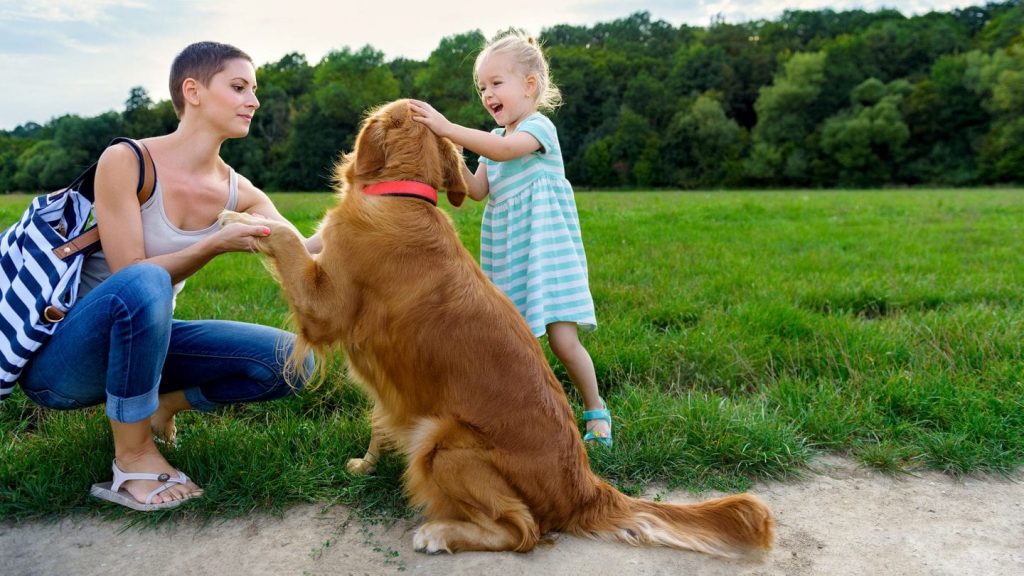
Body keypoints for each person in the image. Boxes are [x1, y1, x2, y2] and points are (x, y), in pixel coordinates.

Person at [18, 41, 315, 510]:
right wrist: (211, 244)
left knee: (295, 361)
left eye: (253, 90)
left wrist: (379, 211)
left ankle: (162, 406)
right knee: (145, 282)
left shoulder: (237, 190)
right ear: (192, 91)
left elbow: (305, 248)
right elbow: (130, 273)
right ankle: (131, 458)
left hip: (146, 347)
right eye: (239, 87)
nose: (253, 101)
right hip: (64, 363)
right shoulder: (127, 161)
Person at [409, 30, 611, 447]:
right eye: (482, 87)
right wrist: (445, 151)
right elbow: (477, 191)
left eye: (496, 84)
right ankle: (526, 415)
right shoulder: (493, 142)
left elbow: (505, 154)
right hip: (511, 252)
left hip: (546, 253)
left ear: (530, 85)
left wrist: (449, 127)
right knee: (513, 341)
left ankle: (595, 410)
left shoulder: (538, 129)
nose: (487, 94)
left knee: (562, 339)